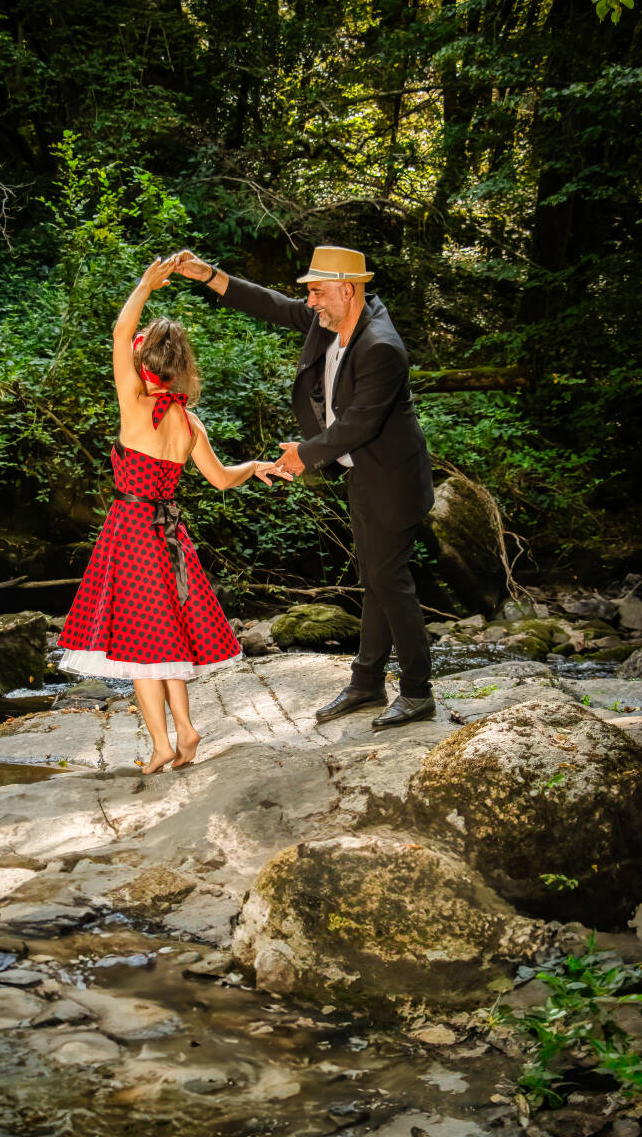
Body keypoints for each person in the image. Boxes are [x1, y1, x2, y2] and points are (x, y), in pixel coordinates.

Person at [172, 245, 436, 728]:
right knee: (375, 581)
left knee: (389, 583)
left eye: (316, 291)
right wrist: (208, 275)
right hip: (363, 475)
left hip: (394, 481)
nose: (309, 301)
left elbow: (358, 423)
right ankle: (367, 683)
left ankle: (418, 692)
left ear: (347, 289)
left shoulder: (381, 347)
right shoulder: (329, 320)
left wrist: (302, 454)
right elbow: (271, 303)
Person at [58, 255, 291, 774]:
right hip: (171, 538)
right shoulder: (191, 423)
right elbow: (222, 479)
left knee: (138, 645)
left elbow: (121, 331)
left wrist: (145, 284)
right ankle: (185, 730)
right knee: (163, 637)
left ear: (145, 364)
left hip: (130, 534)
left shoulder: (134, 404)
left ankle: (164, 744)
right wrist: (256, 466)